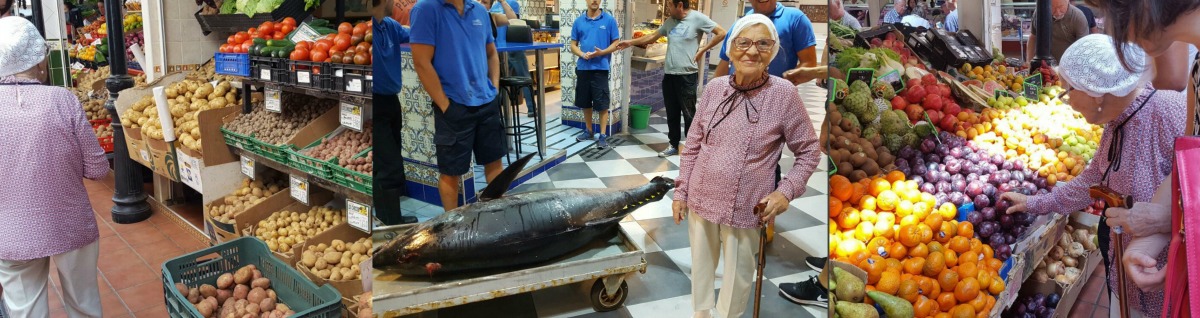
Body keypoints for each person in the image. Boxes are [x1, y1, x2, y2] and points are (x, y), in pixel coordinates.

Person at [999, 34, 1186, 318]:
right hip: (1127, 272)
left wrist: (1165, 219)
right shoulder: (1116, 123)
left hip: (1162, 279)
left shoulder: (1169, 110)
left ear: (1095, 91)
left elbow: (1192, 188)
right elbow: (1090, 181)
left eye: (1067, 91)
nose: (1066, 102)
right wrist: (1034, 203)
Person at [674, 14, 821, 318]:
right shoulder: (715, 89)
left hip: (746, 206)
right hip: (700, 198)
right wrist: (681, 191)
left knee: (738, 278)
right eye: (744, 42)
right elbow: (693, 146)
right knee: (701, 271)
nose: (752, 51)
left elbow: (809, 150)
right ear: (729, 48)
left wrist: (785, 193)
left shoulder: (783, 94)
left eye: (763, 44)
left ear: (773, 51)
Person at [1082, 1, 1200, 316]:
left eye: (1110, 12)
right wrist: (1154, 236)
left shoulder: (1163, 104)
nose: (1113, 31)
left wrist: (1171, 222)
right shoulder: (1197, 70)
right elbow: (1188, 169)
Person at [0, 16, 107, 318]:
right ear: (39, 61)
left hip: (9, 231)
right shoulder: (62, 100)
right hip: (69, 223)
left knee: (24, 311)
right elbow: (98, 170)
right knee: (83, 304)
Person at [410, 0, 505, 211]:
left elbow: (491, 52)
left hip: (486, 102)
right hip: (453, 105)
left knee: (495, 164)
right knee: (451, 172)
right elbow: (421, 62)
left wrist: (494, 89)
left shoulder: (480, 9)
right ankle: (450, 229)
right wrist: (445, 105)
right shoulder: (425, 9)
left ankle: (500, 219)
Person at [616, 0, 726, 157]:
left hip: (687, 76)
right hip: (669, 75)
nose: (667, 10)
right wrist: (630, 42)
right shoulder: (670, 21)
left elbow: (721, 32)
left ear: (679, 5)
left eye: (669, 6)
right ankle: (673, 144)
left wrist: (702, 50)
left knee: (689, 114)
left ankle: (692, 148)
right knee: (672, 112)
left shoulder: (698, 18)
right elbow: (653, 37)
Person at [371, 0, 417, 225]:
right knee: (388, 166)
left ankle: (385, 216)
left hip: (391, 101)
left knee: (388, 161)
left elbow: (411, 32)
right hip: (375, 104)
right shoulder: (369, 28)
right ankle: (392, 222)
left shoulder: (389, 25)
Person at [713, 0, 818, 85]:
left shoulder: (795, 18)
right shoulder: (741, 23)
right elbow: (725, 62)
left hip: (775, 98)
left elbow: (809, 63)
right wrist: (716, 92)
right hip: (736, 93)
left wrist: (780, 87)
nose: (752, 52)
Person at [570, 0, 621, 149]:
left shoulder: (609, 20)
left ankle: (603, 135)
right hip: (583, 68)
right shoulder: (578, 21)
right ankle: (589, 130)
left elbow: (616, 42)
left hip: (600, 69)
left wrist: (602, 52)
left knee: (602, 103)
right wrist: (581, 54)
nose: (594, 1)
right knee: (585, 101)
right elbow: (573, 45)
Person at [486, 0, 539, 118]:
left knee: (524, 76)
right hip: (497, 49)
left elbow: (514, 20)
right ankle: (496, 110)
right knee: (499, 80)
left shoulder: (512, 3)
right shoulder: (492, 6)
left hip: (514, 48)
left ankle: (532, 108)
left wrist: (503, 2)